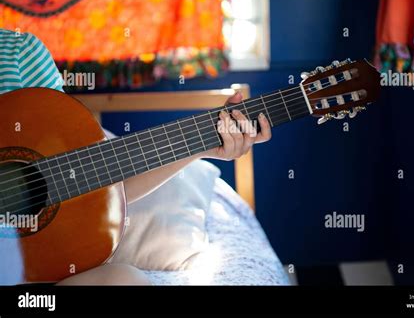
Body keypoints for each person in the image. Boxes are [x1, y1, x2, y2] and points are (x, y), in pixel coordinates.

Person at [0, 28, 272, 285]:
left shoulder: (20, 53)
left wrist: (204, 146)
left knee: (124, 280)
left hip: (28, 286)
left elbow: (98, 183)